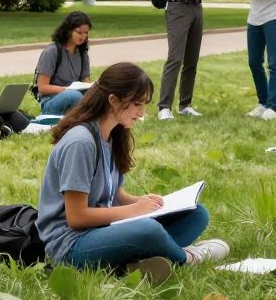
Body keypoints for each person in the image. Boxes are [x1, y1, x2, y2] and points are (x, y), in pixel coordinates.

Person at [37, 62, 229, 282]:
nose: (142, 113)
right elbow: (77, 217)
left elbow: (113, 193)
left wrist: (144, 202)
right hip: (71, 245)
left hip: (101, 230)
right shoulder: (80, 143)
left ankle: (135, 264)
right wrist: (136, 211)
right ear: (113, 100)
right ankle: (187, 257)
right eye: (137, 104)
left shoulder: (110, 134)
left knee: (197, 214)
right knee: (147, 230)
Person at [34, 11, 92, 116]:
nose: (83, 37)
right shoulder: (52, 51)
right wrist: (67, 89)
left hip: (76, 95)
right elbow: (42, 87)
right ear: (69, 31)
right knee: (74, 96)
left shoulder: (83, 53)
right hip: (51, 100)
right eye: (79, 32)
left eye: (86, 33)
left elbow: (85, 81)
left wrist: (94, 87)